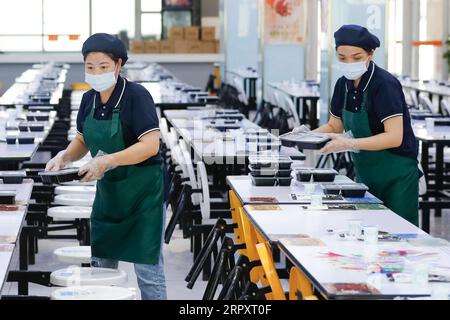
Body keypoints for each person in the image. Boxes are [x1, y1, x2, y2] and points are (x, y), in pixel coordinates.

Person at [45, 33, 167, 299]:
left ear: (118, 65)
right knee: (100, 269)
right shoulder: (89, 99)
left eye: (103, 67)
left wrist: (107, 160)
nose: (96, 72)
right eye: (90, 67)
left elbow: (150, 145)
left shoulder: (137, 96)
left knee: (148, 272)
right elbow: (83, 140)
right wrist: (64, 157)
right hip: (110, 194)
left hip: (144, 195)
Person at [312, 25, 420, 225]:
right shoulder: (342, 84)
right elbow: (335, 126)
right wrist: (305, 137)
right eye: (342, 58)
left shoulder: (384, 85)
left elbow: (394, 137)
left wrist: (350, 144)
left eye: (356, 57)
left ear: (370, 54)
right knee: (369, 233)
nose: (349, 63)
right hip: (366, 172)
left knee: (400, 237)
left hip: (397, 176)